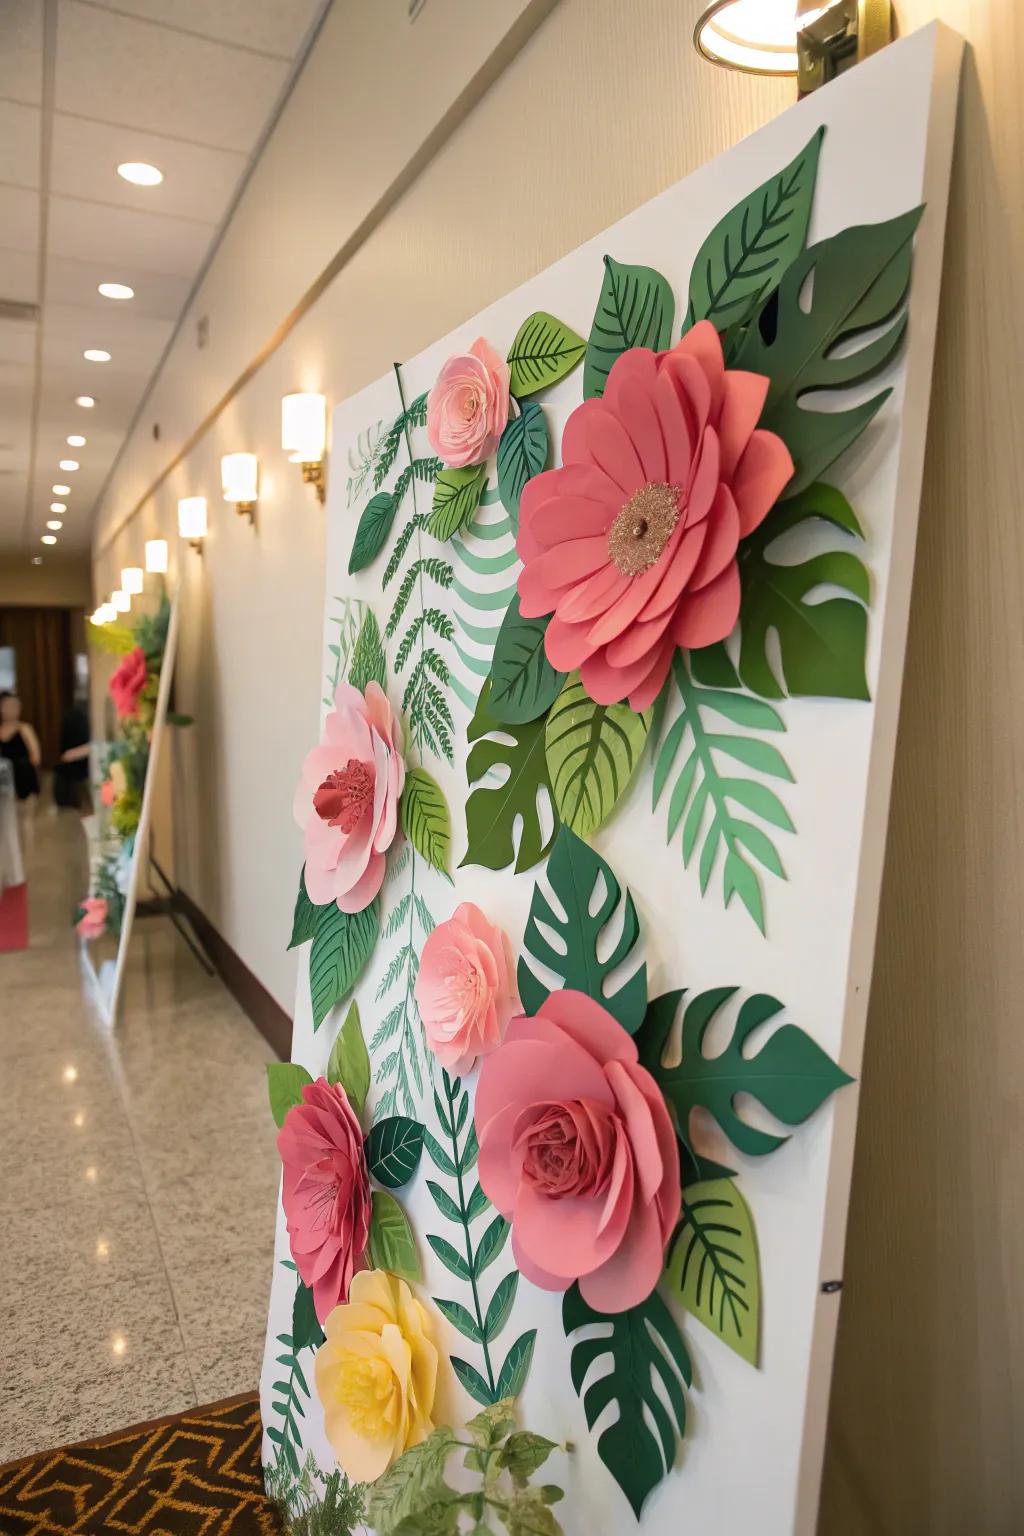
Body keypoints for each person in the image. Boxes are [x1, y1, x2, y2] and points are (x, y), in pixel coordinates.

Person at [0, 691, 42, 811]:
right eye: (8, 706)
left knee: (25, 821)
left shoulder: (25, 729)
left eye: (16, 706)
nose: (13, 709)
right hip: (3, 783)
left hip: (24, 781)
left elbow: (36, 758)